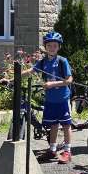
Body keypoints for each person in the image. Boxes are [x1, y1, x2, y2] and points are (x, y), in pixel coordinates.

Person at [33, 32, 74, 164]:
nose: (52, 48)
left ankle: (67, 151)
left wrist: (52, 84)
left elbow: (69, 80)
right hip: (50, 100)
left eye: (55, 46)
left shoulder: (62, 61)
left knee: (66, 125)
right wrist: (13, 78)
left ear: (59, 47)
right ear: (45, 47)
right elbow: (30, 71)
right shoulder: (43, 62)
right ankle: (52, 150)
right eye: (49, 45)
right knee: (53, 124)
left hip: (63, 99)